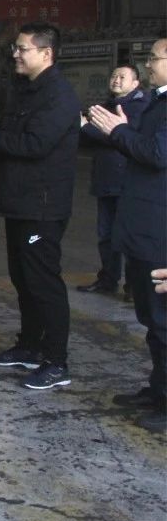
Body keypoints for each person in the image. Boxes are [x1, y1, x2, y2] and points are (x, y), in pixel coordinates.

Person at [0, 23, 81, 391]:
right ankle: (29, 346)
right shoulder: (24, 90)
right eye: (16, 48)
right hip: (20, 203)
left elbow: (34, 144)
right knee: (23, 278)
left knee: (43, 282)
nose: (16, 54)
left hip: (42, 206)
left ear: (46, 53)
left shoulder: (58, 96)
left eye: (23, 49)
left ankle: (56, 361)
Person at [87, 38, 167, 433]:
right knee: (151, 317)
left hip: (159, 231)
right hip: (143, 225)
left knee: (163, 319)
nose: (148, 64)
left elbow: (157, 154)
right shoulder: (156, 101)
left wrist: (119, 131)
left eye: (154, 58)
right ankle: (157, 389)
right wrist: (118, 132)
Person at [76, 64, 146, 297]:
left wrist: (88, 128)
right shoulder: (106, 106)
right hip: (105, 181)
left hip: (126, 182)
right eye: (114, 75)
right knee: (106, 236)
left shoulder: (140, 108)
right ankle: (108, 280)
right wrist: (84, 128)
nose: (116, 80)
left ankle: (134, 286)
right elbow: (95, 138)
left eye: (122, 77)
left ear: (135, 83)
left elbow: (120, 136)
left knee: (128, 236)